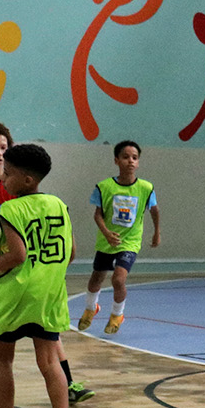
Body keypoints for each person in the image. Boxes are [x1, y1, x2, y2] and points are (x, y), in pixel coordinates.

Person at [0, 121, 91, 404]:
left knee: (47, 335)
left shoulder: (16, 185)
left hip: (22, 273)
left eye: (4, 147)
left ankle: (69, 383)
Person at [0, 144, 80, 408]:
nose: (3, 178)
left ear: (28, 180)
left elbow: (17, 255)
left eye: (8, 173)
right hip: (49, 294)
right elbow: (72, 253)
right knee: (49, 361)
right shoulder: (59, 205)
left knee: (1, 360)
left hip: (15, 295)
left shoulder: (11, 209)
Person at [77, 139, 159, 334]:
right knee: (96, 278)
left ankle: (117, 314)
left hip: (129, 241)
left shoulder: (146, 188)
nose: (130, 161)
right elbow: (98, 214)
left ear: (138, 162)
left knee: (118, 279)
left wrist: (157, 232)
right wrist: (106, 233)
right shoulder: (104, 187)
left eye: (135, 158)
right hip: (107, 241)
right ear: (116, 160)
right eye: (125, 157)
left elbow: (154, 211)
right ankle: (91, 308)